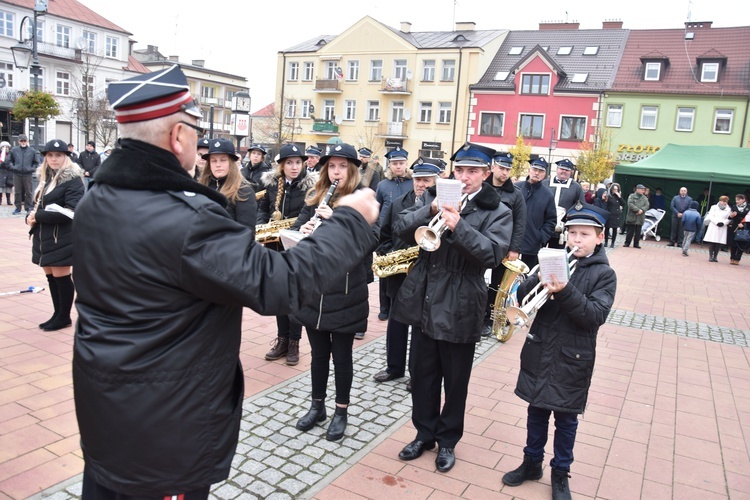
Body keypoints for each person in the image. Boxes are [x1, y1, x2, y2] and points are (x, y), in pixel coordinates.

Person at [71, 65, 379, 498]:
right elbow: (279, 284)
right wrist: (351, 220)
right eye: (195, 131)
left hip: (109, 409)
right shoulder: (186, 218)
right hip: (164, 429)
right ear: (178, 136)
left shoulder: (96, 200)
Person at [392, 142, 511, 473]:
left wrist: (459, 225)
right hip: (426, 297)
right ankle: (424, 434)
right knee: (423, 373)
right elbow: (400, 228)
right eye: (459, 170)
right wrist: (429, 211)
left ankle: (447, 441)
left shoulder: (497, 211)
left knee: (455, 380)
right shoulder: (434, 198)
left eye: (472, 171)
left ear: (486, 175)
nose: (464, 177)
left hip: (461, 302)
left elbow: (491, 255)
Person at [502, 202, 616, 500]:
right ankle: (531, 463)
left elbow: (593, 316)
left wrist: (564, 289)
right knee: (535, 411)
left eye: (584, 235)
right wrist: (533, 282)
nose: (576, 240)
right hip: (540, 347)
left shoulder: (605, 274)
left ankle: (561, 472)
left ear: (599, 238)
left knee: (566, 419)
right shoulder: (555, 260)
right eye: (572, 233)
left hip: (573, 357)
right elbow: (525, 295)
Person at [291, 142, 377, 442]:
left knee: (341, 357)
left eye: (342, 166)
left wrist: (336, 219)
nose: (336, 171)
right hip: (315, 289)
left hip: (345, 292)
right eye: (332, 166)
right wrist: (303, 231)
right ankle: (317, 407)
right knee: (318, 355)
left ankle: (341, 411)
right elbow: (299, 226)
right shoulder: (316, 196)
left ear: (352, 170)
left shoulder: (360, 200)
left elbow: (370, 241)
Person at [373, 157, 440, 385]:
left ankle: (416, 373)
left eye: (427, 180)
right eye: (418, 179)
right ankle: (394, 367)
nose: (421, 184)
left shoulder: (441, 207)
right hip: (399, 272)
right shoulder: (398, 203)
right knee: (396, 322)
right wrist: (389, 256)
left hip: (427, 273)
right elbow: (384, 235)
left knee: (421, 327)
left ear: (436, 181)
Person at [258, 143, 317, 365]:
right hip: (274, 246)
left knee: (295, 297)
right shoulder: (273, 185)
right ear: (281, 165)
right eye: (289, 163)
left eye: (298, 163)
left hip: (297, 247)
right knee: (278, 296)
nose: (294, 167)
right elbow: (263, 208)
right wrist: (261, 225)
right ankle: (282, 339)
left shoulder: (310, 187)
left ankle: (294, 342)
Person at [25, 139, 85, 332]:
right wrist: (30, 216)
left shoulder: (73, 179)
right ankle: (57, 314)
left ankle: (64, 316)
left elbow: (72, 211)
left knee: (62, 277)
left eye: (58, 155)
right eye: (50, 155)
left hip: (62, 237)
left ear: (66, 157)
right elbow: (37, 205)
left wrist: (39, 216)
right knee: (51, 277)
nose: (53, 159)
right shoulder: (46, 177)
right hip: (44, 237)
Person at [482, 151, 527, 337]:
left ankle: (489, 319)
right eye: (501, 168)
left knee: (497, 285)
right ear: (492, 167)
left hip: (503, 247)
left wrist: (514, 248)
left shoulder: (515, 194)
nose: (504, 172)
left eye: (507, 169)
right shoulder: (482, 187)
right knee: (477, 281)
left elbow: (520, 222)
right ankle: (476, 315)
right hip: (480, 243)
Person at [375, 147, 414, 323]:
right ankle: (385, 308)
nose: (398, 167)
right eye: (395, 163)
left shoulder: (412, 183)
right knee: (385, 271)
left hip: (408, 231)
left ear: (406, 164)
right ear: (389, 165)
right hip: (387, 230)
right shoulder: (383, 185)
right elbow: (377, 208)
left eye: (401, 163)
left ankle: (402, 306)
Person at [198, 137, 257, 234]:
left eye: (223, 160)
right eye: (213, 161)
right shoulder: (202, 187)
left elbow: (246, 233)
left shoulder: (243, 191)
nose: (218, 165)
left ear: (231, 163)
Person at [516, 158, 556, 270]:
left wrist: (540, 238)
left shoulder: (547, 195)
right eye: (534, 169)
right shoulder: (516, 188)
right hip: (511, 244)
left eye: (541, 171)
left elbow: (551, 220)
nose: (537, 173)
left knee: (528, 279)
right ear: (529, 170)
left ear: (544, 174)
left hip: (532, 246)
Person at [542, 159, 584, 249]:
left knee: (555, 256)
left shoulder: (576, 187)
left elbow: (580, 206)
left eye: (567, 170)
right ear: (557, 169)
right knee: (537, 253)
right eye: (562, 169)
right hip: (543, 226)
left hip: (562, 230)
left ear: (571, 172)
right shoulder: (545, 183)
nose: (564, 171)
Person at [9, 133, 39, 214]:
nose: (23, 142)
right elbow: (9, 161)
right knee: (17, 192)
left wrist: (32, 169)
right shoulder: (14, 150)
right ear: (18, 141)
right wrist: (13, 167)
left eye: (24, 140)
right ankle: (18, 208)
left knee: (28, 191)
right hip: (17, 174)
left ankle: (28, 207)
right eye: (21, 141)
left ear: (27, 141)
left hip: (28, 174)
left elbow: (36, 162)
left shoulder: (32, 151)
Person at [703, 196, 731, 262]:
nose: (724, 203)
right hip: (713, 225)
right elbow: (711, 216)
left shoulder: (729, 209)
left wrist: (724, 223)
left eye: (726, 201)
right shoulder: (714, 207)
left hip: (722, 226)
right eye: (723, 201)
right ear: (720, 201)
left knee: (718, 242)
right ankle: (710, 256)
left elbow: (729, 218)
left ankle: (715, 256)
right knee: (712, 241)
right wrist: (716, 222)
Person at [623, 184, 649, 248]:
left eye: (643, 190)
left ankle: (636, 244)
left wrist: (642, 210)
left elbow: (647, 205)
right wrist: (637, 210)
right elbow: (630, 204)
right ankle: (627, 243)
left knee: (638, 232)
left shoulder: (645, 198)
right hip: (632, 216)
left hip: (640, 217)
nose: (643, 191)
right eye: (642, 190)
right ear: (637, 189)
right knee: (630, 231)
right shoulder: (631, 196)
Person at [727, 194, 750, 265]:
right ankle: (732, 258)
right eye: (736, 200)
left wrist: (743, 224)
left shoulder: (748, 207)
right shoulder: (734, 206)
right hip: (735, 226)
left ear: (743, 200)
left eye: (739, 200)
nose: (737, 201)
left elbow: (748, 217)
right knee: (733, 243)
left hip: (744, 226)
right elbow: (730, 217)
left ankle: (737, 259)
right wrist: (731, 216)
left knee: (741, 243)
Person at [604, 182, 625, 248]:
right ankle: (606, 242)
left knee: (614, 229)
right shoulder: (609, 196)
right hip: (610, 214)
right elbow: (606, 204)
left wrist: (620, 197)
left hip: (616, 215)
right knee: (607, 228)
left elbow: (624, 203)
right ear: (611, 189)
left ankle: (613, 243)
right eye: (614, 189)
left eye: (617, 189)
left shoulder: (618, 197)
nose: (615, 191)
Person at [0, 141, 12, 205]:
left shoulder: (11, 154)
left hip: (8, 173)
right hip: (1, 173)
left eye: (7, 147)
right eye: (4, 147)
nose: (5, 148)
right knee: (0, 188)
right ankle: (0, 200)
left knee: (8, 188)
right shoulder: (1, 155)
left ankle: (8, 200)